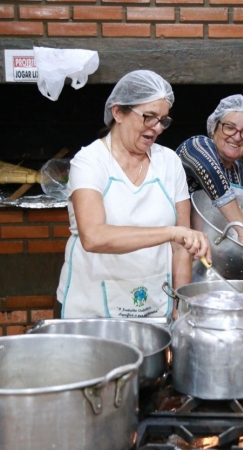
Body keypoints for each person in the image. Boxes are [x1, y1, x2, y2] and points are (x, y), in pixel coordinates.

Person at [55, 70, 210, 319]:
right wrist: (171, 232)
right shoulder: (89, 162)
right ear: (118, 112)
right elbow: (93, 236)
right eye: (149, 117)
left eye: (163, 120)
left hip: (154, 304)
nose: (157, 128)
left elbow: (181, 248)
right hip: (91, 309)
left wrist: (181, 306)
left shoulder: (169, 162)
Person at [176, 95, 243, 245]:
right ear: (213, 127)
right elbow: (212, 173)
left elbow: (234, 218)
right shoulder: (196, 147)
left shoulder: (239, 173)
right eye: (230, 127)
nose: (237, 137)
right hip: (184, 250)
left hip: (217, 255)